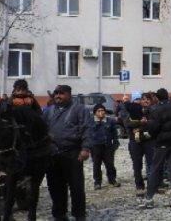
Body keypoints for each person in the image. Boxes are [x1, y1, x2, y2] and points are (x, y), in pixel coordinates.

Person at [43, 84, 93, 221]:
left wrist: (85, 148)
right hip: (53, 155)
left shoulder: (79, 109)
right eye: (56, 93)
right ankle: (59, 214)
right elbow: (41, 130)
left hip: (73, 154)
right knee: (55, 187)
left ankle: (79, 215)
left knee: (76, 187)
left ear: (69, 95)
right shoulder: (48, 111)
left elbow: (87, 129)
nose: (58, 96)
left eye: (61, 93)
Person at [140, 88, 171, 209]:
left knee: (155, 169)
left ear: (157, 98)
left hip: (161, 143)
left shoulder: (157, 110)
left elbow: (154, 128)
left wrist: (147, 128)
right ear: (167, 96)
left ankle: (149, 199)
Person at [123, 91, 154, 196]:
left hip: (148, 141)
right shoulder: (131, 110)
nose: (145, 101)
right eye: (143, 99)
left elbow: (154, 123)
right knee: (137, 165)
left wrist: (142, 126)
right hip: (135, 142)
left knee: (151, 164)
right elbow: (127, 123)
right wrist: (141, 123)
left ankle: (152, 186)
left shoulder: (151, 110)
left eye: (147, 99)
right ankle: (139, 186)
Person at [87, 103, 120, 190]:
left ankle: (112, 179)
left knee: (110, 164)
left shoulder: (110, 121)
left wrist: (115, 144)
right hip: (95, 146)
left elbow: (114, 133)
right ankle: (97, 182)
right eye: (99, 111)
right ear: (95, 113)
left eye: (103, 111)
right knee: (96, 165)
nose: (101, 112)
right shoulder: (90, 121)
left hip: (107, 146)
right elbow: (88, 134)